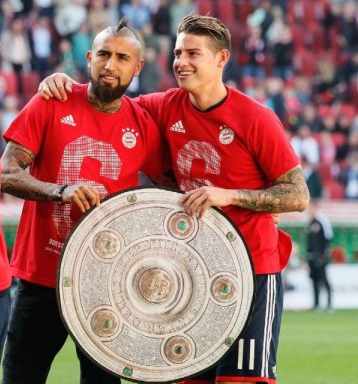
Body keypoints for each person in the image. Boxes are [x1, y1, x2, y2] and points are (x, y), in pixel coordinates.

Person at [39, 13, 310, 384]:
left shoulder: (256, 118)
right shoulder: (164, 106)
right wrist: (67, 84)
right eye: (179, 53)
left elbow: (297, 195)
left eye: (193, 54)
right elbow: (108, 97)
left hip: (252, 270)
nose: (181, 62)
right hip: (191, 271)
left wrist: (228, 196)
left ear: (221, 59)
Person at [0, 18, 170, 384]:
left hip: (104, 282)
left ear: (137, 67)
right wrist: (59, 190)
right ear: (90, 57)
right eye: (104, 55)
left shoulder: (142, 124)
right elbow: (7, 172)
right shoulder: (51, 101)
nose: (111, 65)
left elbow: (173, 188)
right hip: (42, 277)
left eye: (123, 58)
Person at [306, 201, 333, 310]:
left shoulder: (323, 222)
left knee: (324, 280)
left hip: (320, 256)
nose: (309, 212)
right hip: (311, 256)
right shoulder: (310, 224)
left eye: (311, 210)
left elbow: (328, 238)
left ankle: (329, 304)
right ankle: (316, 304)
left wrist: (323, 254)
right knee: (314, 281)